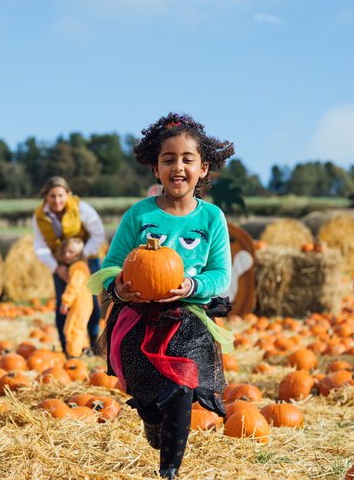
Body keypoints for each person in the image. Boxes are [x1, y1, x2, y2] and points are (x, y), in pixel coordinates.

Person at [88, 112, 235, 479]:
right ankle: (151, 417)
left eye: (188, 159)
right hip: (138, 319)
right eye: (169, 159)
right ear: (156, 168)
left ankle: (168, 471)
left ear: (204, 168)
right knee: (151, 398)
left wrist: (193, 286)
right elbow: (110, 265)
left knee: (182, 390)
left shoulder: (212, 219)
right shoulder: (138, 215)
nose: (178, 167)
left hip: (187, 320)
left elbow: (221, 275)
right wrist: (117, 286)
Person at [32, 176, 105, 354]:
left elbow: (98, 234)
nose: (57, 200)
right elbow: (40, 246)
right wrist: (57, 268)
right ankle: (68, 347)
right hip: (59, 264)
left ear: (68, 194)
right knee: (63, 303)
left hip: (87, 258)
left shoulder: (81, 208)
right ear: (46, 197)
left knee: (91, 302)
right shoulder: (40, 216)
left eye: (60, 195)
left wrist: (80, 258)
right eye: (52, 196)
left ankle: (93, 343)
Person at [57, 238, 94, 358]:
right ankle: (84, 349)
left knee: (72, 329)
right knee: (80, 327)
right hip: (84, 303)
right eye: (64, 252)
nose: (67, 255)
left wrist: (66, 301)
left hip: (80, 303)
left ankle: (73, 356)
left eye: (71, 252)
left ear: (79, 254)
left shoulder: (77, 268)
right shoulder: (81, 266)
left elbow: (73, 286)